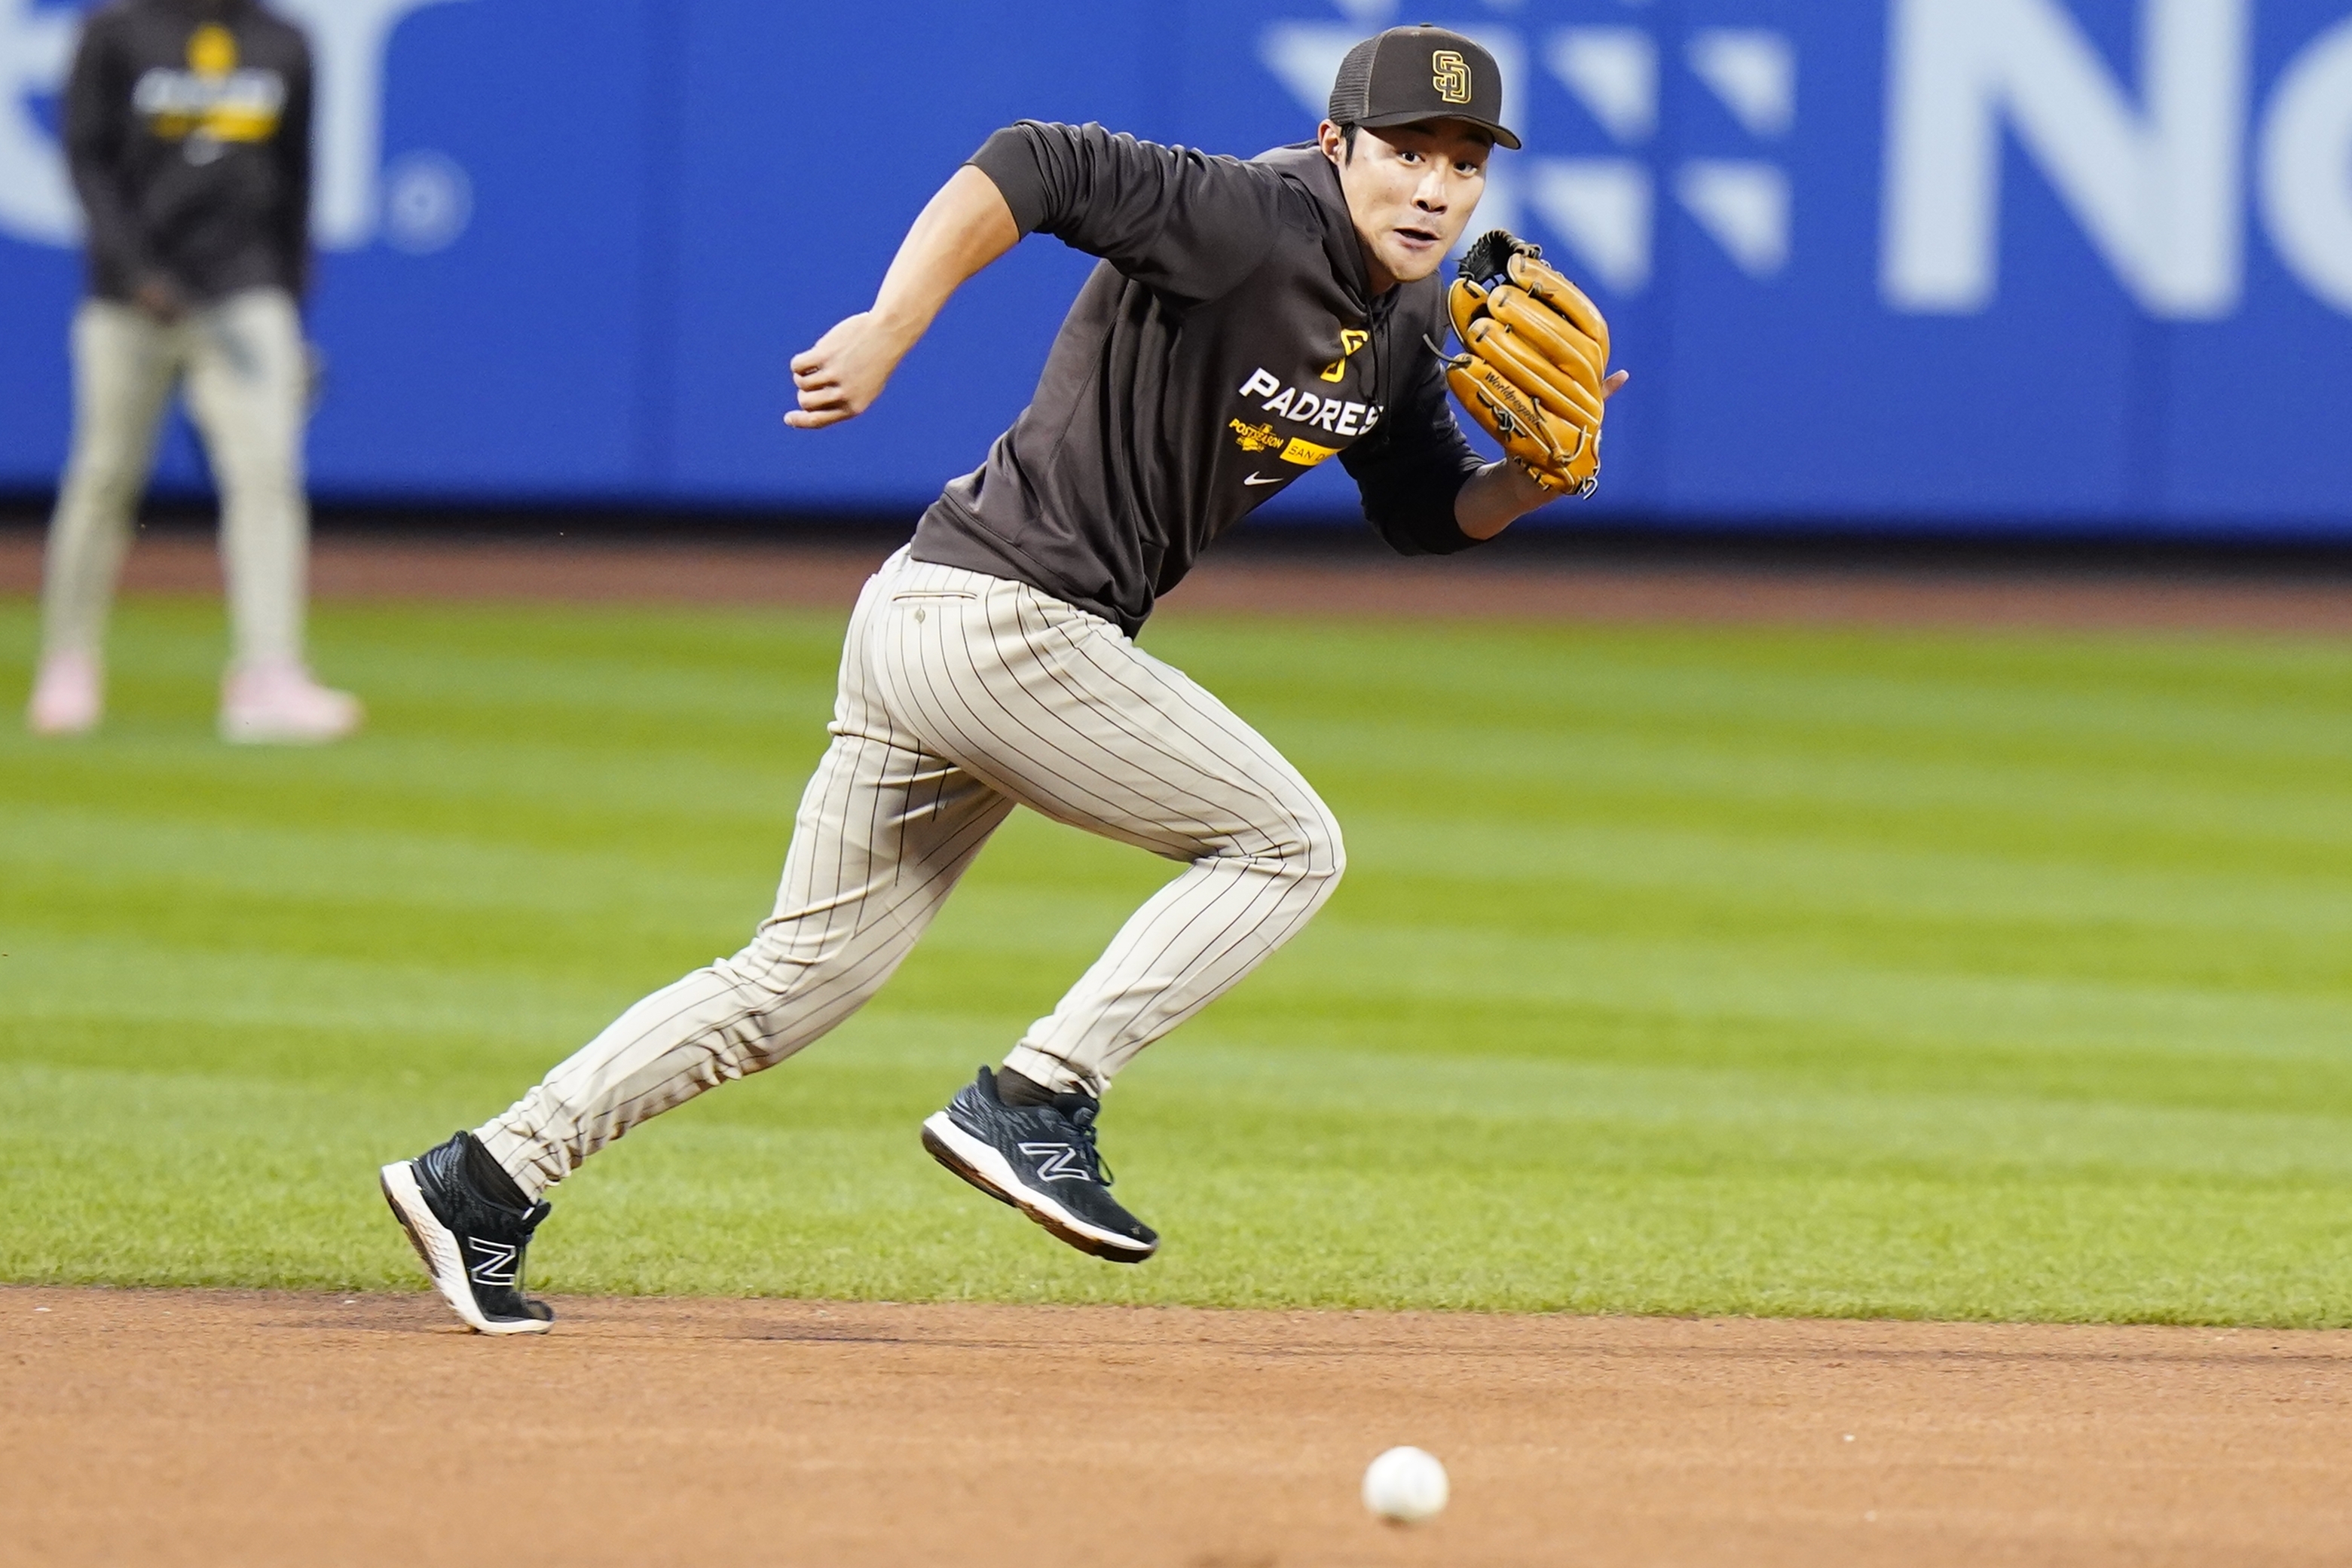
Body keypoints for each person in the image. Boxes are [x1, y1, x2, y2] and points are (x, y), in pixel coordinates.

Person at [380, 25, 1626, 1334]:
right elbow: (1032, 164)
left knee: (797, 978)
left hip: (945, 619)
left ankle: (486, 1175)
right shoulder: (1249, 217)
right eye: (1405, 150)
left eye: (1463, 161)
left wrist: (1529, 486)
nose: (1433, 186)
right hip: (1003, 622)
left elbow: (1428, 509)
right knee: (1287, 844)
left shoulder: (1407, 314)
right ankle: (1041, 1096)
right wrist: (889, 325)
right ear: (1337, 144)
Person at [25, 0, 358, 744]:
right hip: (130, 302)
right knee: (105, 476)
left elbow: (295, 176)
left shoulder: (283, 42)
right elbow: (87, 160)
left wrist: (290, 303)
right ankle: (69, 660)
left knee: (265, 475)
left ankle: (267, 672)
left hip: (243, 297)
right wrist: (136, 269)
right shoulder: (114, 33)